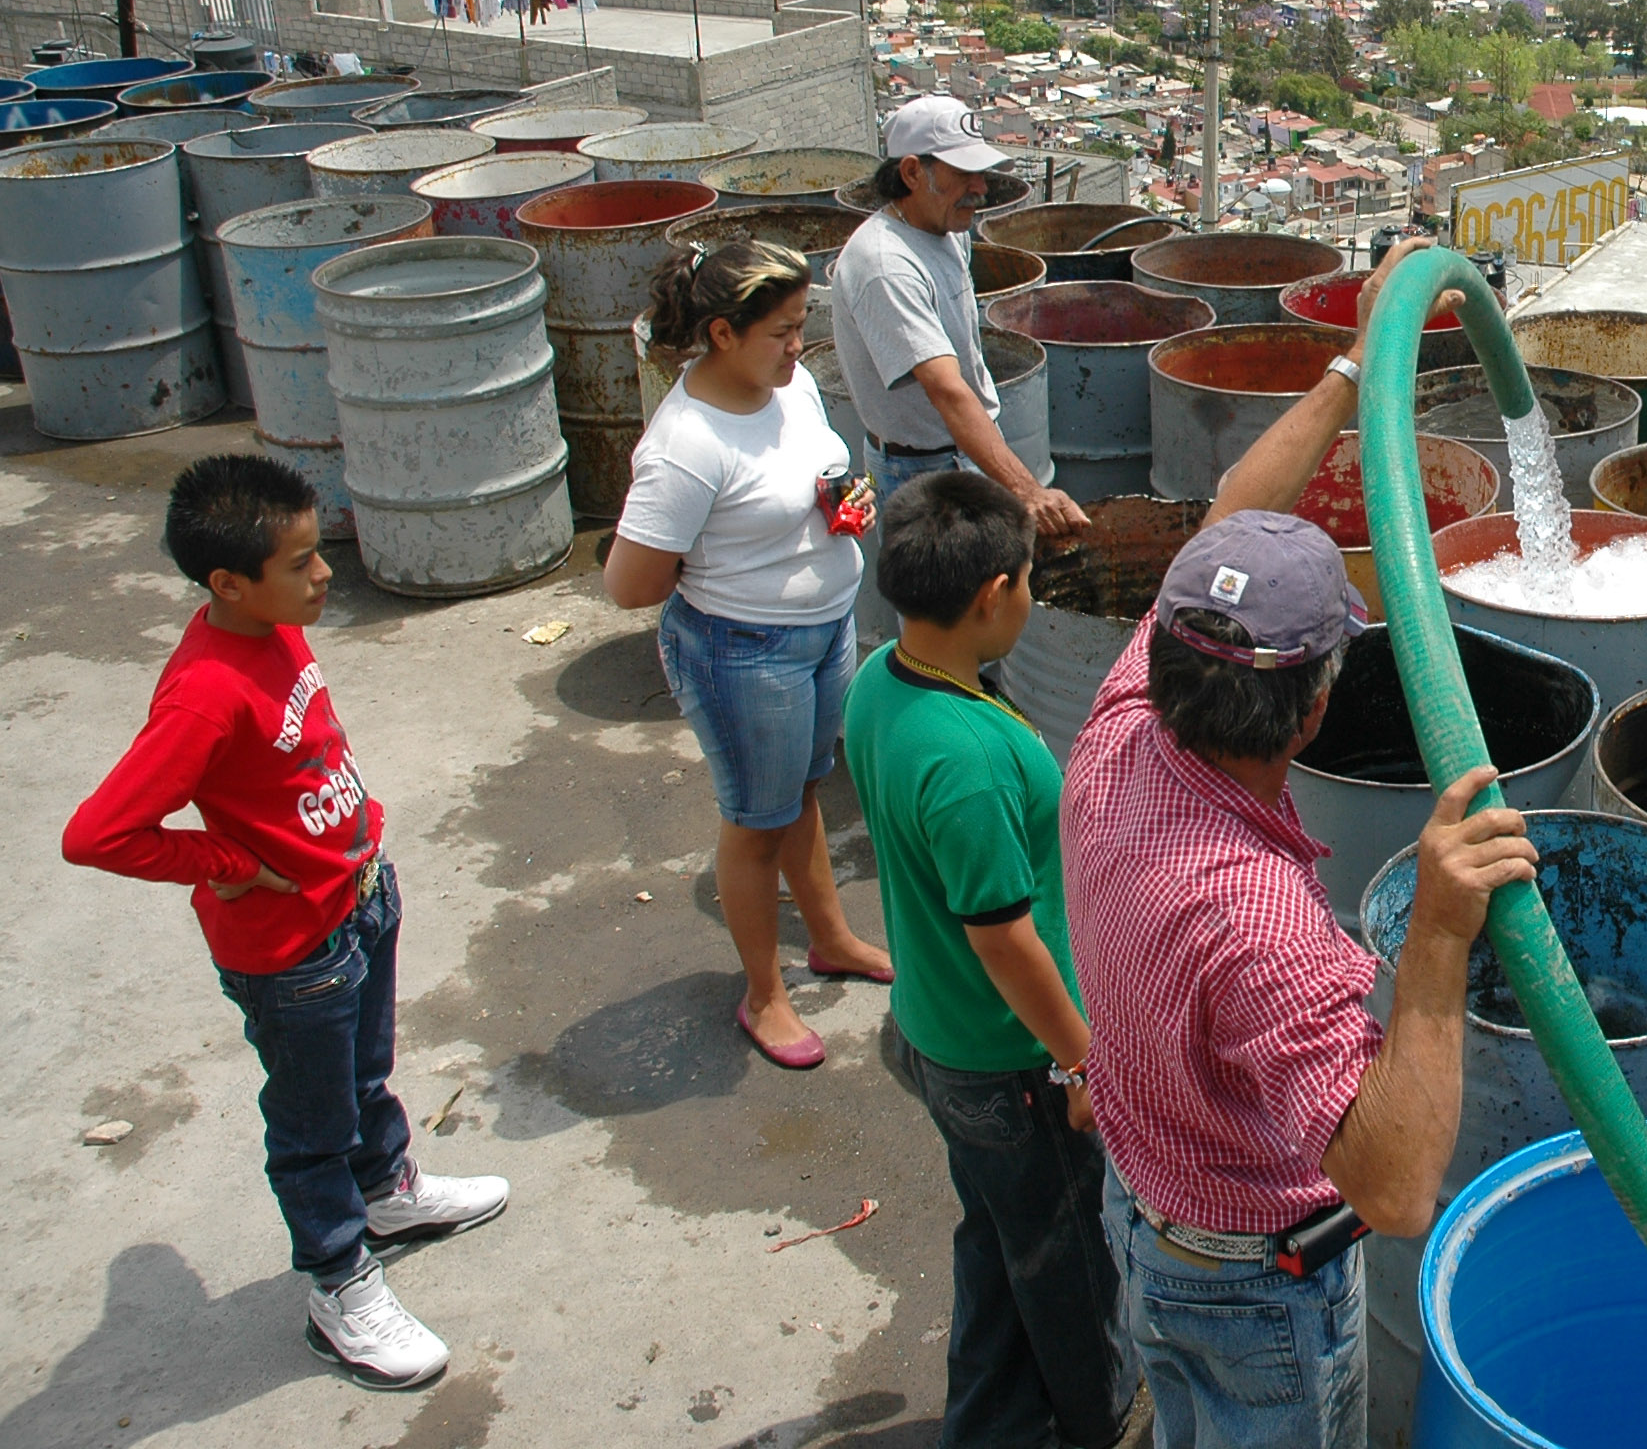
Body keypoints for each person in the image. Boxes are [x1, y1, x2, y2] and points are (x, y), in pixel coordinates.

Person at [1060, 235, 1533, 1449]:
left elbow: (1228, 518)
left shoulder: (1119, 726)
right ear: (1318, 705)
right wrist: (1434, 937)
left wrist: (1350, 367)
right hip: (1250, 1286)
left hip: (1146, 1208)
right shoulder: (1259, 922)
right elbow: (1390, 1187)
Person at [62, 455, 510, 1392]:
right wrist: (224, 862)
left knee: (364, 1075)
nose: (324, 576)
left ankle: (388, 1190)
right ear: (229, 582)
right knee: (310, 1124)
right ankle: (340, 1284)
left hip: (357, 898)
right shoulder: (201, 692)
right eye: (303, 563)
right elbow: (99, 832)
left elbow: (302, 751)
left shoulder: (275, 628)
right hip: (291, 952)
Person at [845, 470, 1134, 1448]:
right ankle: (1096, 1424)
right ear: (990, 597)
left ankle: (988, 1421)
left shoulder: (880, 680)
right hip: (1006, 1060)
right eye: (1026, 580)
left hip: (935, 1030)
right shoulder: (966, 759)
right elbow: (1003, 936)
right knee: (1066, 1263)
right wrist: (1080, 1056)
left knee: (998, 1235)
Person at [605, 238, 893, 1072]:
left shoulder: (790, 386)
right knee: (754, 823)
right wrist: (723, 560)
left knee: (803, 789)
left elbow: (811, 471)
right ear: (723, 334)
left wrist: (845, 499)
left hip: (821, 628)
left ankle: (832, 937)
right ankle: (764, 992)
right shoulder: (687, 446)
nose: (798, 346)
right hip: (742, 650)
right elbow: (631, 584)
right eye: (782, 330)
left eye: (803, 325)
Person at [834, 94, 1085, 537]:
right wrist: (1027, 492)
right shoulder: (886, 265)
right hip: (918, 472)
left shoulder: (946, 231)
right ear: (912, 172)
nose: (981, 187)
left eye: (981, 172)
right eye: (964, 174)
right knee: (942, 604)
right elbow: (948, 391)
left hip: (965, 451)